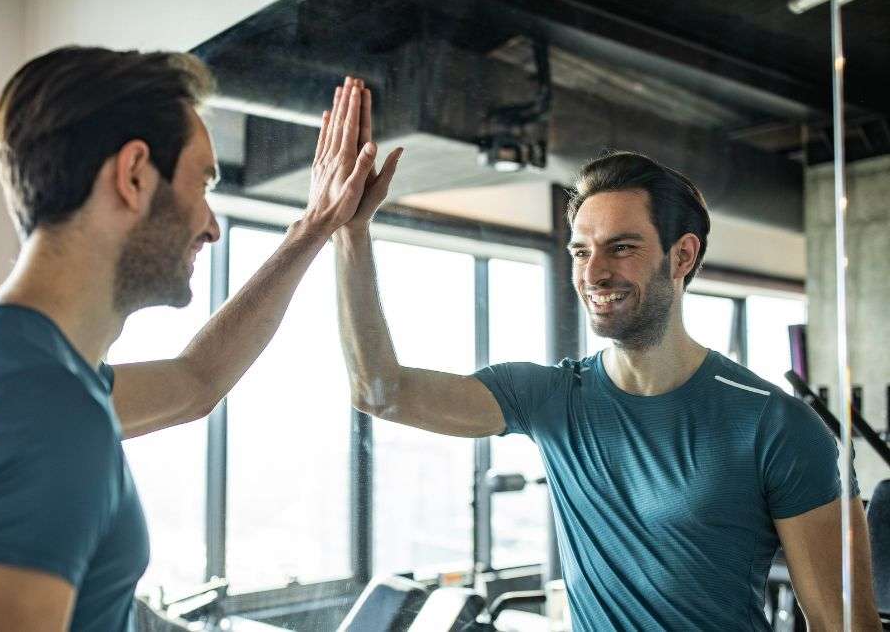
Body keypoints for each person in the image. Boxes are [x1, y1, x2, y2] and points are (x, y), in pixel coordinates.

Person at [0, 46, 385, 631]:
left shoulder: (4, 367)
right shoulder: (33, 410)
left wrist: (314, 228)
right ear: (135, 175)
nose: (211, 226)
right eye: (201, 184)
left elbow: (196, 382)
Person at [335, 147, 881, 629]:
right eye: (579, 251)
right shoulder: (549, 397)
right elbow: (381, 392)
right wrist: (351, 233)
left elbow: (844, 626)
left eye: (621, 248)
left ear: (683, 256)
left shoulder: (777, 425)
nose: (593, 273)